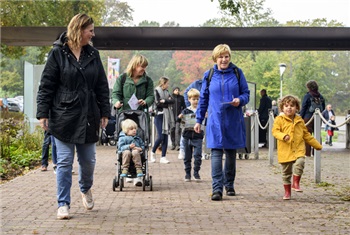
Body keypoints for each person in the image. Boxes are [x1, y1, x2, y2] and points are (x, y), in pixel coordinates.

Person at [36, 13, 110, 220]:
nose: (93, 35)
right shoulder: (57, 53)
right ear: (79, 30)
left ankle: (85, 188)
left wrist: (105, 112)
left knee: (88, 162)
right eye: (90, 31)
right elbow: (46, 85)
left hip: (88, 115)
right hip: (63, 115)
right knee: (65, 162)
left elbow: (102, 86)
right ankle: (63, 203)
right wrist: (42, 113)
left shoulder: (93, 54)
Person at [194, 44, 250, 201]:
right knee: (216, 153)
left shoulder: (238, 73)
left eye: (226, 56)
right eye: (221, 56)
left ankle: (229, 184)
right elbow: (203, 98)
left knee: (231, 153)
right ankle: (217, 188)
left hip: (233, 118)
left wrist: (240, 100)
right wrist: (199, 120)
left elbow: (246, 93)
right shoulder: (209, 74)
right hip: (215, 119)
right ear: (215, 58)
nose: (224, 59)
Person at [111, 54, 154, 186]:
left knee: (140, 142)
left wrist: (145, 101)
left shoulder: (148, 80)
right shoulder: (123, 78)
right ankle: (127, 171)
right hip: (124, 114)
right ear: (135, 65)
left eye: (145, 67)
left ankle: (138, 176)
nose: (144, 69)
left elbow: (151, 96)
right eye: (142, 66)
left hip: (140, 115)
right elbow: (115, 93)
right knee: (124, 141)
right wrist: (116, 102)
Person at [272, 95, 322, 200]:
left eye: (292, 106)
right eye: (286, 106)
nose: (289, 108)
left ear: (297, 108)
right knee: (286, 173)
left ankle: (296, 183)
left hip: (298, 148)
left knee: (300, 162)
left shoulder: (300, 120)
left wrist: (317, 145)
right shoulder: (279, 119)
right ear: (282, 108)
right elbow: (275, 132)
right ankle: (287, 192)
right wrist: (283, 136)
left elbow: (306, 135)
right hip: (285, 149)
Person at [178, 88, 204, 182]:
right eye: (193, 99)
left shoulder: (201, 111)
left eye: (197, 99)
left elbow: (205, 123)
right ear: (189, 99)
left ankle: (196, 172)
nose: (195, 101)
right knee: (187, 156)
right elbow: (180, 123)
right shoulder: (185, 111)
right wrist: (180, 118)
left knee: (198, 156)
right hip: (187, 136)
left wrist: (206, 117)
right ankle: (187, 173)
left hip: (197, 136)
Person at [150, 76, 174, 164]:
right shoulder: (156, 91)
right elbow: (157, 103)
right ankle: (152, 152)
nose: (168, 85)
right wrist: (166, 102)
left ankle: (163, 156)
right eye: (167, 83)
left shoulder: (167, 92)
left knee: (165, 136)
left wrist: (165, 101)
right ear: (163, 83)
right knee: (160, 136)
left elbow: (173, 101)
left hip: (166, 115)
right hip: (159, 114)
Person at [300, 80, 325, 157]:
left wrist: (301, 117)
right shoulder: (320, 96)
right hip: (318, 117)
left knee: (307, 135)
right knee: (317, 134)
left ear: (309, 87)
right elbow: (323, 107)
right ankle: (317, 152)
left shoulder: (307, 96)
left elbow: (304, 107)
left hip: (308, 117)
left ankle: (307, 153)